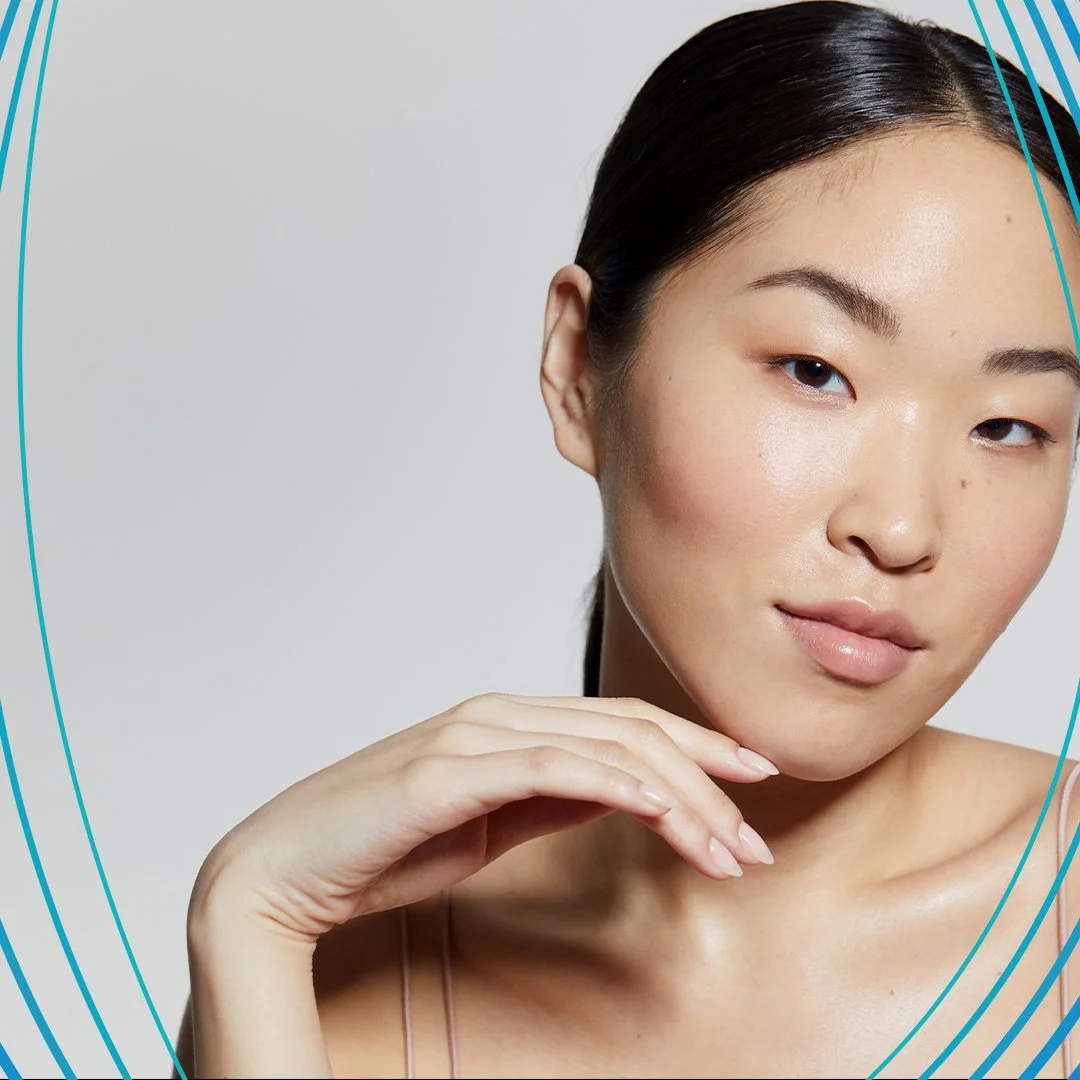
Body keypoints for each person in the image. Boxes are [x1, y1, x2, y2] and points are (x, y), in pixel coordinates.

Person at [173, 2, 1080, 1076]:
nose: (899, 528)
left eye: (1009, 425)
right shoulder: (332, 972)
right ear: (578, 367)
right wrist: (246, 914)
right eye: (815, 370)